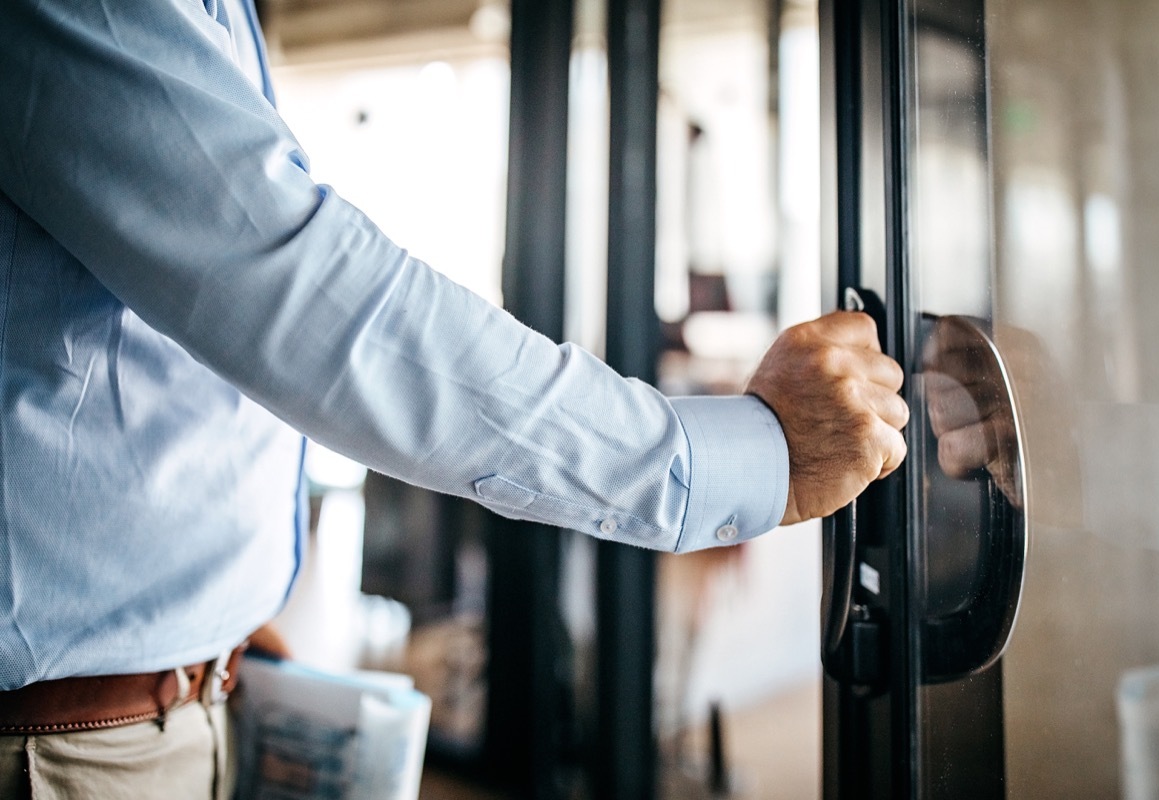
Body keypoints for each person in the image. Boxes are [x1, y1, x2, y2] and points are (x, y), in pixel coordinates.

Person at [0, 0, 909, 797]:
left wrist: (221, 620)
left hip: (177, 699)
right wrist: (729, 461)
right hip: (63, 746)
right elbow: (309, 298)